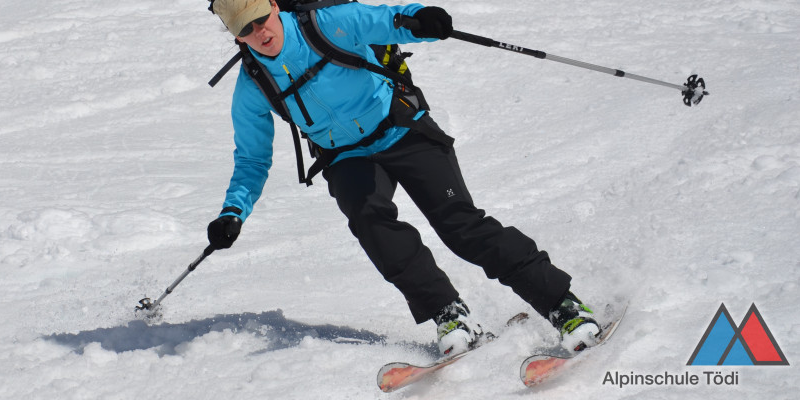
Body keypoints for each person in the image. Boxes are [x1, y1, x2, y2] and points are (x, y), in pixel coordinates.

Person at [204, 0, 601, 355]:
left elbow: (387, 20)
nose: (259, 33)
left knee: (461, 226)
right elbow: (252, 160)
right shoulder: (253, 84)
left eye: (260, 19)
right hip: (347, 156)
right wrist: (232, 212)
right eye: (244, 29)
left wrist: (421, 20)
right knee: (372, 224)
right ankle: (450, 315)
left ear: (274, 6)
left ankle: (563, 306)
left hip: (402, 129)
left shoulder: (326, 24)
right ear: (234, 35)